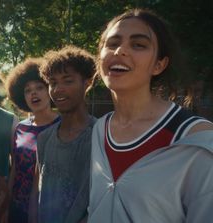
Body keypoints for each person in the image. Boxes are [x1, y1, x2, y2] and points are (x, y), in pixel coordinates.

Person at [88, 8, 213, 223]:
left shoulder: (196, 140)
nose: (120, 51)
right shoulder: (100, 129)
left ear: (159, 65)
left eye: (138, 45)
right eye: (112, 43)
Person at [29, 46, 97, 223]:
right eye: (53, 82)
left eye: (68, 81)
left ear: (87, 82)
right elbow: (37, 191)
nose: (58, 89)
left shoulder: (101, 135)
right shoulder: (44, 139)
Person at [5, 58, 60, 223]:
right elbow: (14, 168)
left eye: (39, 88)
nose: (33, 93)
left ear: (50, 90)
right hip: (17, 207)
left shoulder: (63, 125)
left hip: (49, 210)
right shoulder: (20, 128)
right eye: (27, 90)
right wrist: (6, 206)